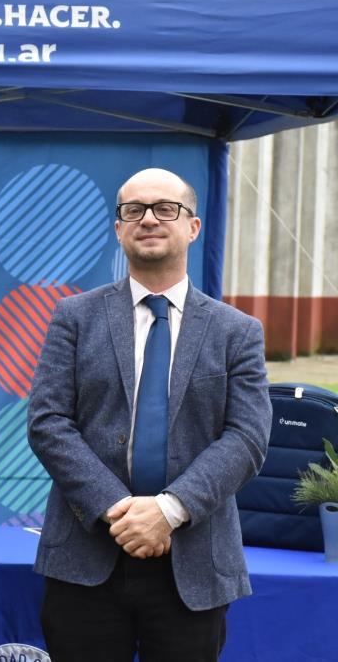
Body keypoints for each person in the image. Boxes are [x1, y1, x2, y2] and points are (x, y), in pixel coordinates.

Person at [28, 168, 272, 661]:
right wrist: (119, 510)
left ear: (193, 227)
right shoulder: (74, 317)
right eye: (133, 210)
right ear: (119, 228)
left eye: (165, 208)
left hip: (193, 563)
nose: (149, 219)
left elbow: (247, 438)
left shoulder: (237, 332)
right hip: (87, 556)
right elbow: (48, 422)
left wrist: (167, 511)